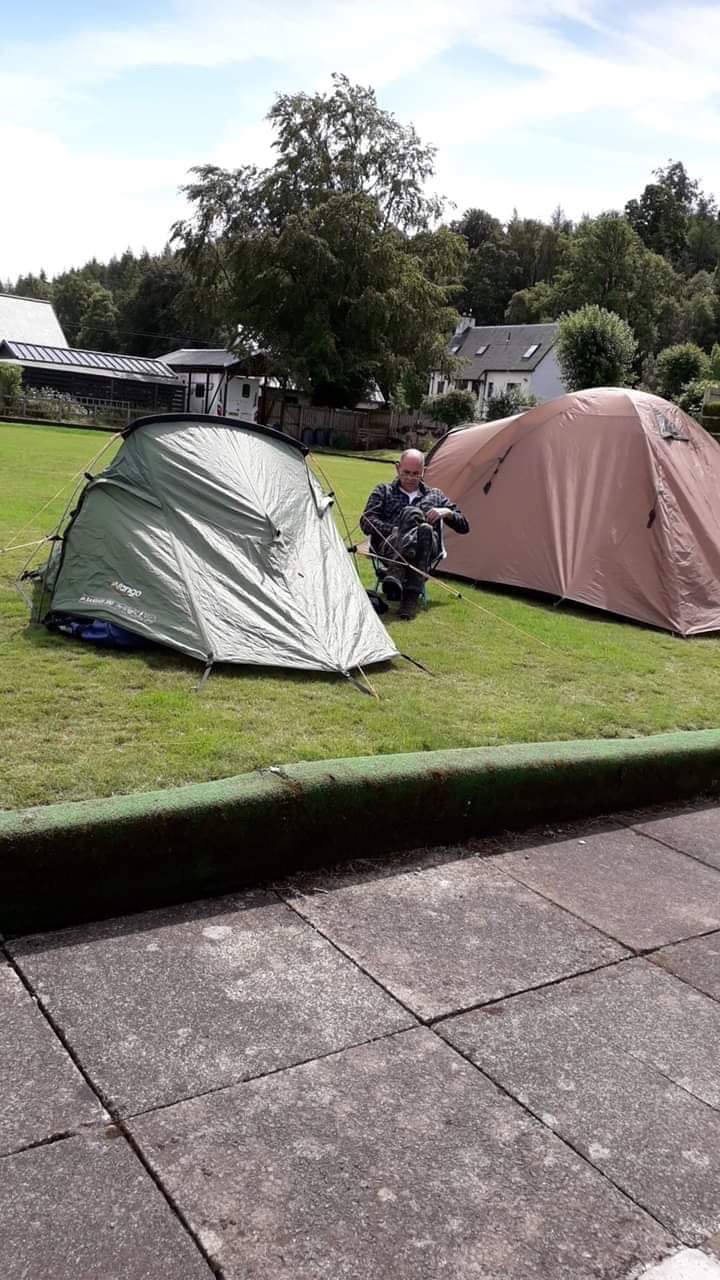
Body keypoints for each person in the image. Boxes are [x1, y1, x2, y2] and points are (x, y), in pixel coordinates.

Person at [360, 449, 470, 620]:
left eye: (416, 474)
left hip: (426, 548)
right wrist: (397, 530)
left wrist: (447, 512)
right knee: (417, 519)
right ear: (397, 468)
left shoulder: (435, 495)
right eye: (406, 472)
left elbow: (464, 527)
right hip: (390, 545)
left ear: (423, 471)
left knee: (424, 528)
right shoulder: (384, 491)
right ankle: (410, 599)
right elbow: (366, 522)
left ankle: (395, 574)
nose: (411, 478)